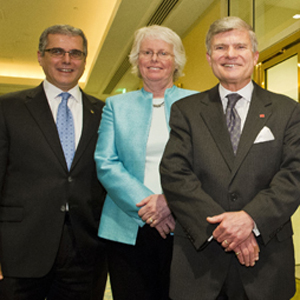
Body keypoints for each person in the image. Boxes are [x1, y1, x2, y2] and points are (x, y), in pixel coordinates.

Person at [160, 16, 300, 300]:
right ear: (210, 58)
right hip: (201, 262)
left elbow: (294, 173)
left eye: (240, 46)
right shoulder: (186, 110)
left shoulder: (288, 111)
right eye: (221, 47)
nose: (231, 54)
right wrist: (224, 230)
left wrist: (250, 218)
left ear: (255, 55)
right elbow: (175, 174)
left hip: (267, 261)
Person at [0, 25, 107, 300]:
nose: (67, 60)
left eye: (75, 53)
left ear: (85, 59)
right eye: (57, 51)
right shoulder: (7, 108)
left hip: (86, 249)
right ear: (40, 56)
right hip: (20, 248)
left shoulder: (105, 112)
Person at [94, 25, 198, 300]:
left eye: (163, 53)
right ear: (136, 60)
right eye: (147, 52)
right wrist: (150, 205)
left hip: (183, 224)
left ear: (175, 61)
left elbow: (205, 164)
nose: (154, 59)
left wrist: (169, 202)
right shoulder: (116, 106)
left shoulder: (197, 104)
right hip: (126, 225)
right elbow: (106, 162)